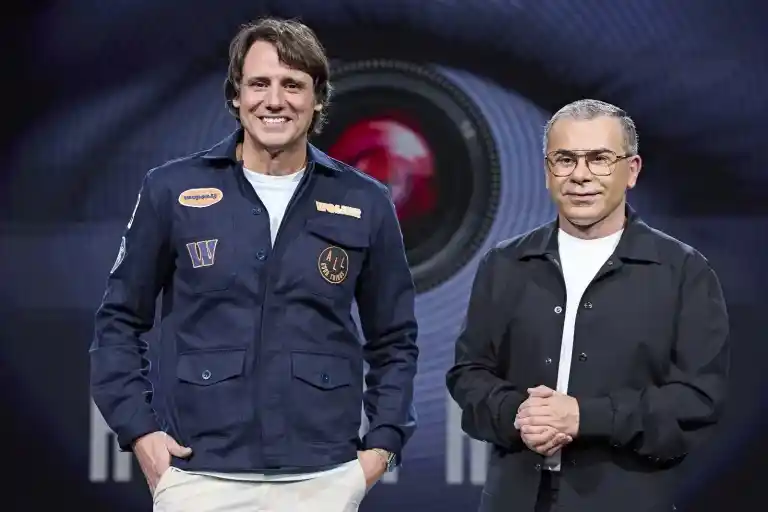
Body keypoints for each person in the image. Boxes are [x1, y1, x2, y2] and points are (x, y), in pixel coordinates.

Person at [90, 17, 419, 512]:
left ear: (318, 98)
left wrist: (382, 447)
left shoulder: (365, 200)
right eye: (259, 83)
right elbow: (118, 320)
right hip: (197, 475)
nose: (275, 100)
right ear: (236, 95)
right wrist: (140, 433)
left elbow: (394, 339)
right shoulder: (171, 190)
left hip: (323, 480)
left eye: (293, 85)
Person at [445, 99, 729, 512]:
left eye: (599, 159)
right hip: (515, 498)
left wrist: (585, 417)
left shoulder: (683, 272)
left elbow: (698, 400)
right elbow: (469, 374)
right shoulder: (505, 264)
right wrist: (518, 413)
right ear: (547, 171)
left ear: (632, 170)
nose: (580, 175)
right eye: (565, 160)